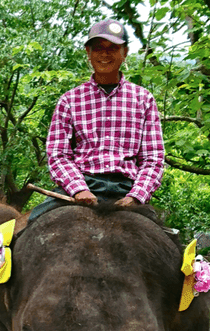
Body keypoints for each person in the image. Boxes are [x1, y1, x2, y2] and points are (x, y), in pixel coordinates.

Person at [44, 18, 165, 212]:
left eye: (113, 48)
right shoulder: (69, 100)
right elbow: (58, 155)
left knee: (169, 239)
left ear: (124, 53)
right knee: (32, 224)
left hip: (126, 187)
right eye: (99, 48)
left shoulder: (144, 100)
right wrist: (78, 189)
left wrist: (136, 195)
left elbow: (153, 158)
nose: (105, 55)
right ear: (88, 53)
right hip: (82, 184)